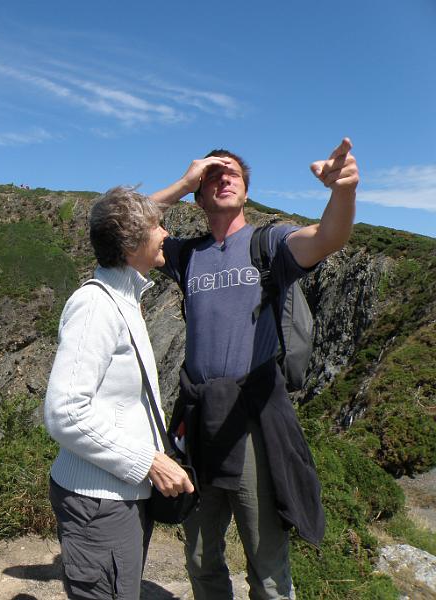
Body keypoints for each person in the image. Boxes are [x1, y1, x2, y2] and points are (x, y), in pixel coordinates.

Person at [148, 138, 359, 599]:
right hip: (199, 421)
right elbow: (128, 226)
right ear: (199, 196)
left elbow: (329, 237)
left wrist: (342, 190)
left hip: (252, 425)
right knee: (201, 558)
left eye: (234, 175)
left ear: (245, 192)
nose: (224, 179)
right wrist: (183, 181)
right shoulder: (187, 255)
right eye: (212, 176)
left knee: (266, 566)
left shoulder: (270, 242)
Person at [44, 186, 194, 600]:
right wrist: (149, 461)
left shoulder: (122, 298)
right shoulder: (96, 306)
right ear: (130, 244)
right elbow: (64, 414)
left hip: (117, 495)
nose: (165, 233)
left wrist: (185, 182)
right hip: (100, 502)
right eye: (156, 227)